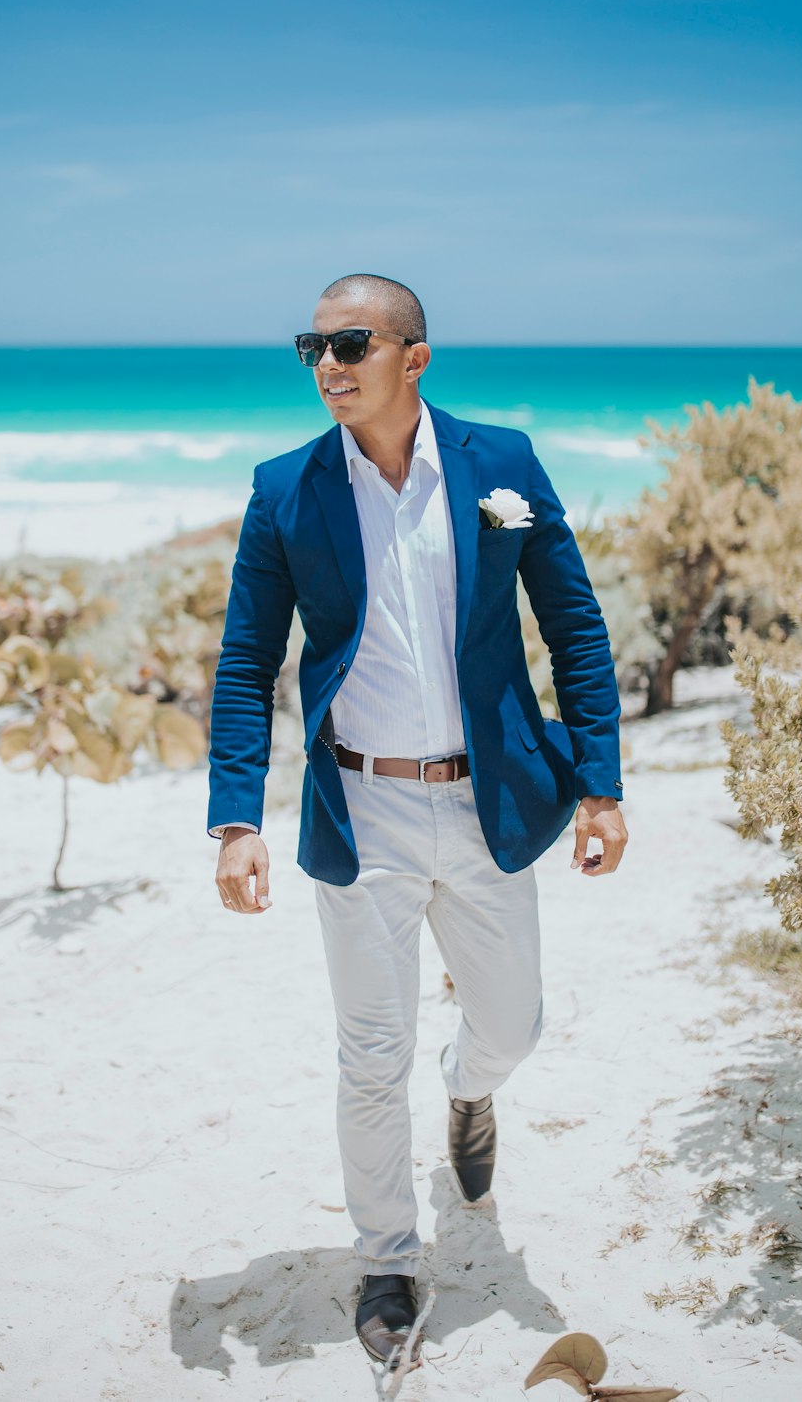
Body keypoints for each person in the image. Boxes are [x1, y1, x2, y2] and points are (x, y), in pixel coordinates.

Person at [207, 273, 628, 1372]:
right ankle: (388, 1260)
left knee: (513, 1025)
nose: (330, 365)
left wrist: (601, 784)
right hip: (362, 810)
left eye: (351, 342)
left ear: (415, 356)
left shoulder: (503, 467)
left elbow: (573, 625)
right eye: (313, 347)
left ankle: (472, 1095)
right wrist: (234, 819)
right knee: (367, 1055)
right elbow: (248, 662)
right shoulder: (286, 490)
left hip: (487, 806)